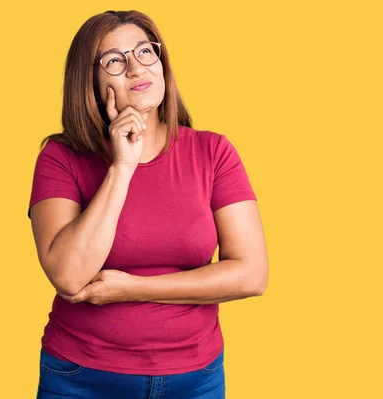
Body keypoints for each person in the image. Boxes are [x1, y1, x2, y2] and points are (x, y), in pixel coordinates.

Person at [28, 9, 268, 399]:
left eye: (145, 52)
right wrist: (122, 167)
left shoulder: (213, 152)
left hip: (195, 378)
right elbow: (69, 275)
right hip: (81, 378)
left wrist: (133, 288)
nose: (136, 69)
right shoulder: (60, 157)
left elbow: (251, 275)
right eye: (114, 61)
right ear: (89, 81)